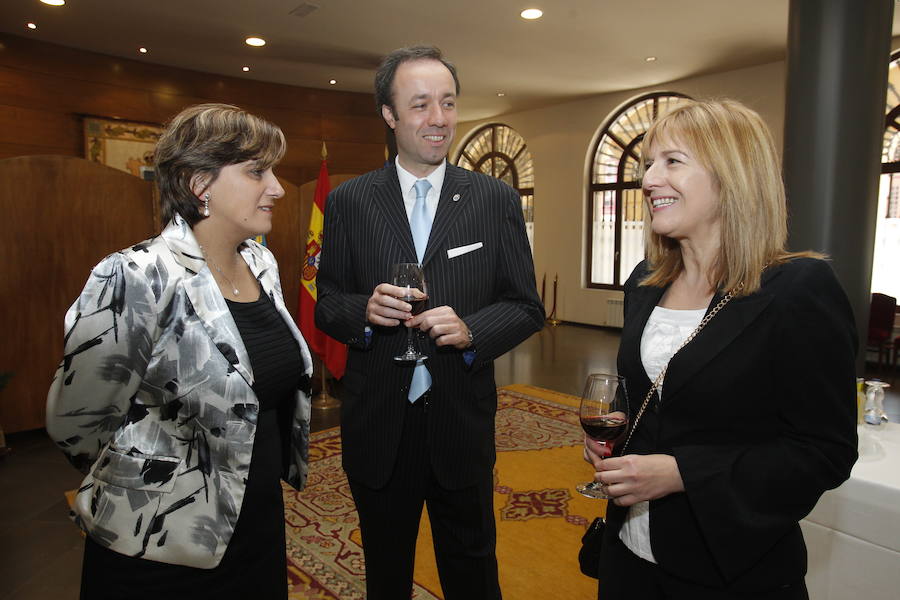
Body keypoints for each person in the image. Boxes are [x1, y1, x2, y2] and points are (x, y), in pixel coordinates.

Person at [584, 98, 858, 599]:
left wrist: (683, 473)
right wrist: (617, 438)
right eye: (648, 163)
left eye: (672, 161)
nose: (647, 180)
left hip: (729, 570)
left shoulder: (797, 289)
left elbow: (825, 452)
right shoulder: (644, 284)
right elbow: (652, 399)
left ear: (731, 176)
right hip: (627, 556)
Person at [46, 103, 313, 600]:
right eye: (258, 171)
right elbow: (76, 424)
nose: (276, 187)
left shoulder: (261, 261)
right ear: (199, 182)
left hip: (254, 523)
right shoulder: (134, 275)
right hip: (159, 546)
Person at [315, 46, 544, 599]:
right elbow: (326, 301)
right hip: (378, 424)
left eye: (447, 103)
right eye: (420, 105)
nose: (438, 119)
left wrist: (472, 332)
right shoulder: (349, 201)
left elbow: (525, 305)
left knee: (471, 568)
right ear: (389, 116)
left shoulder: (494, 200)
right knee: (386, 573)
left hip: (459, 422)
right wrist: (363, 311)